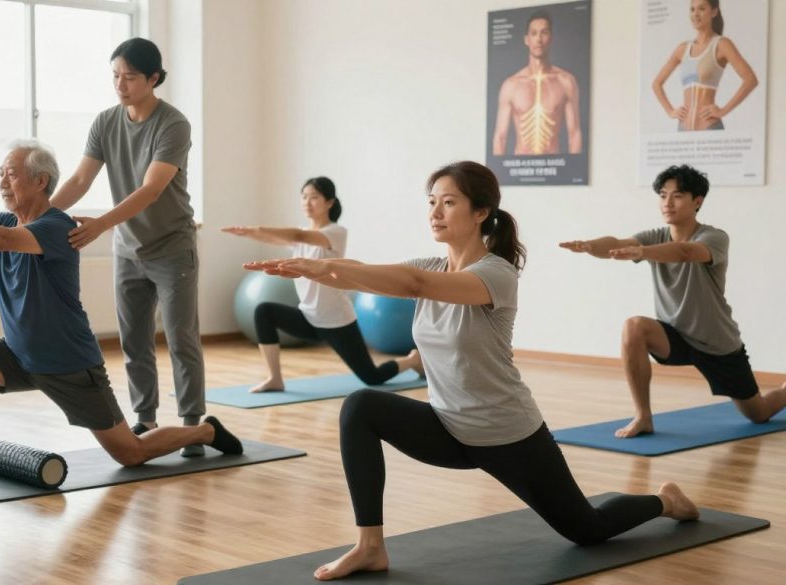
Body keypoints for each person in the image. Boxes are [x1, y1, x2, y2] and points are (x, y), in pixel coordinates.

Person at [247, 161, 698, 581]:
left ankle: (665, 501)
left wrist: (325, 266)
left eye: (448, 202)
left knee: (587, 528)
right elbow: (366, 272)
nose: (435, 212)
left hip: (507, 435)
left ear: (481, 211)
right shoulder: (431, 264)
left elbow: (413, 284)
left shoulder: (496, 274)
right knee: (361, 406)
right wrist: (314, 269)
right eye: (431, 202)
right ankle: (370, 546)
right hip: (448, 427)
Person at [0, 140, 242, 485]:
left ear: (41, 181)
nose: (2, 182)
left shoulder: (57, 226)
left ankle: (205, 432)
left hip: (68, 364)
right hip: (19, 357)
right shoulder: (6, 219)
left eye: (11, 174)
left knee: (130, 453)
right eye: (0, 174)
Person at [47, 38, 207, 456]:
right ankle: (146, 419)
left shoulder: (174, 124)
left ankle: (192, 424)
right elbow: (81, 180)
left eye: (130, 77)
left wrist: (100, 223)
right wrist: (41, 215)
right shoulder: (105, 122)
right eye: (115, 75)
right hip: (128, 249)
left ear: (153, 79)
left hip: (172, 248)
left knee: (180, 338)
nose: (120, 84)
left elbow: (152, 189)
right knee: (134, 341)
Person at [560, 164, 786, 438]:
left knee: (759, 413)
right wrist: (589, 246)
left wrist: (641, 251)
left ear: (697, 201)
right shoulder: (654, 237)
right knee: (634, 326)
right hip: (676, 335)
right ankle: (643, 416)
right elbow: (615, 243)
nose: (667, 202)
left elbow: (684, 252)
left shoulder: (714, 237)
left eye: (677, 195)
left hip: (717, 343)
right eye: (663, 195)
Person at [222, 177, 422, 393]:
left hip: (336, 321)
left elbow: (299, 235)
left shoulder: (335, 233)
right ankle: (275, 378)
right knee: (264, 312)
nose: (308, 202)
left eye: (314, 197)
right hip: (308, 317)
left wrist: (258, 227)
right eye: (304, 197)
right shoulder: (301, 237)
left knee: (371, 377)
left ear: (329, 202)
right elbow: (280, 239)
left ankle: (412, 360)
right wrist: (250, 233)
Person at [652, 0, 758, 131]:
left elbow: (750, 80)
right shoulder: (682, 49)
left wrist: (724, 110)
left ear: (714, 12)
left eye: (701, 9)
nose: (695, 14)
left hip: (710, 126)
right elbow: (656, 83)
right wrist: (670, 111)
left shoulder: (722, 45)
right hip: (683, 128)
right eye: (692, 9)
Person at [492, 10, 582, 156]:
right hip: (519, 169)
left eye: (544, 33)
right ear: (526, 39)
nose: (539, 39)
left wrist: (573, 172)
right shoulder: (511, 85)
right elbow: (500, 138)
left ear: (551, 37)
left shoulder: (565, 81)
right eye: (533, 33)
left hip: (555, 167)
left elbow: (574, 134)